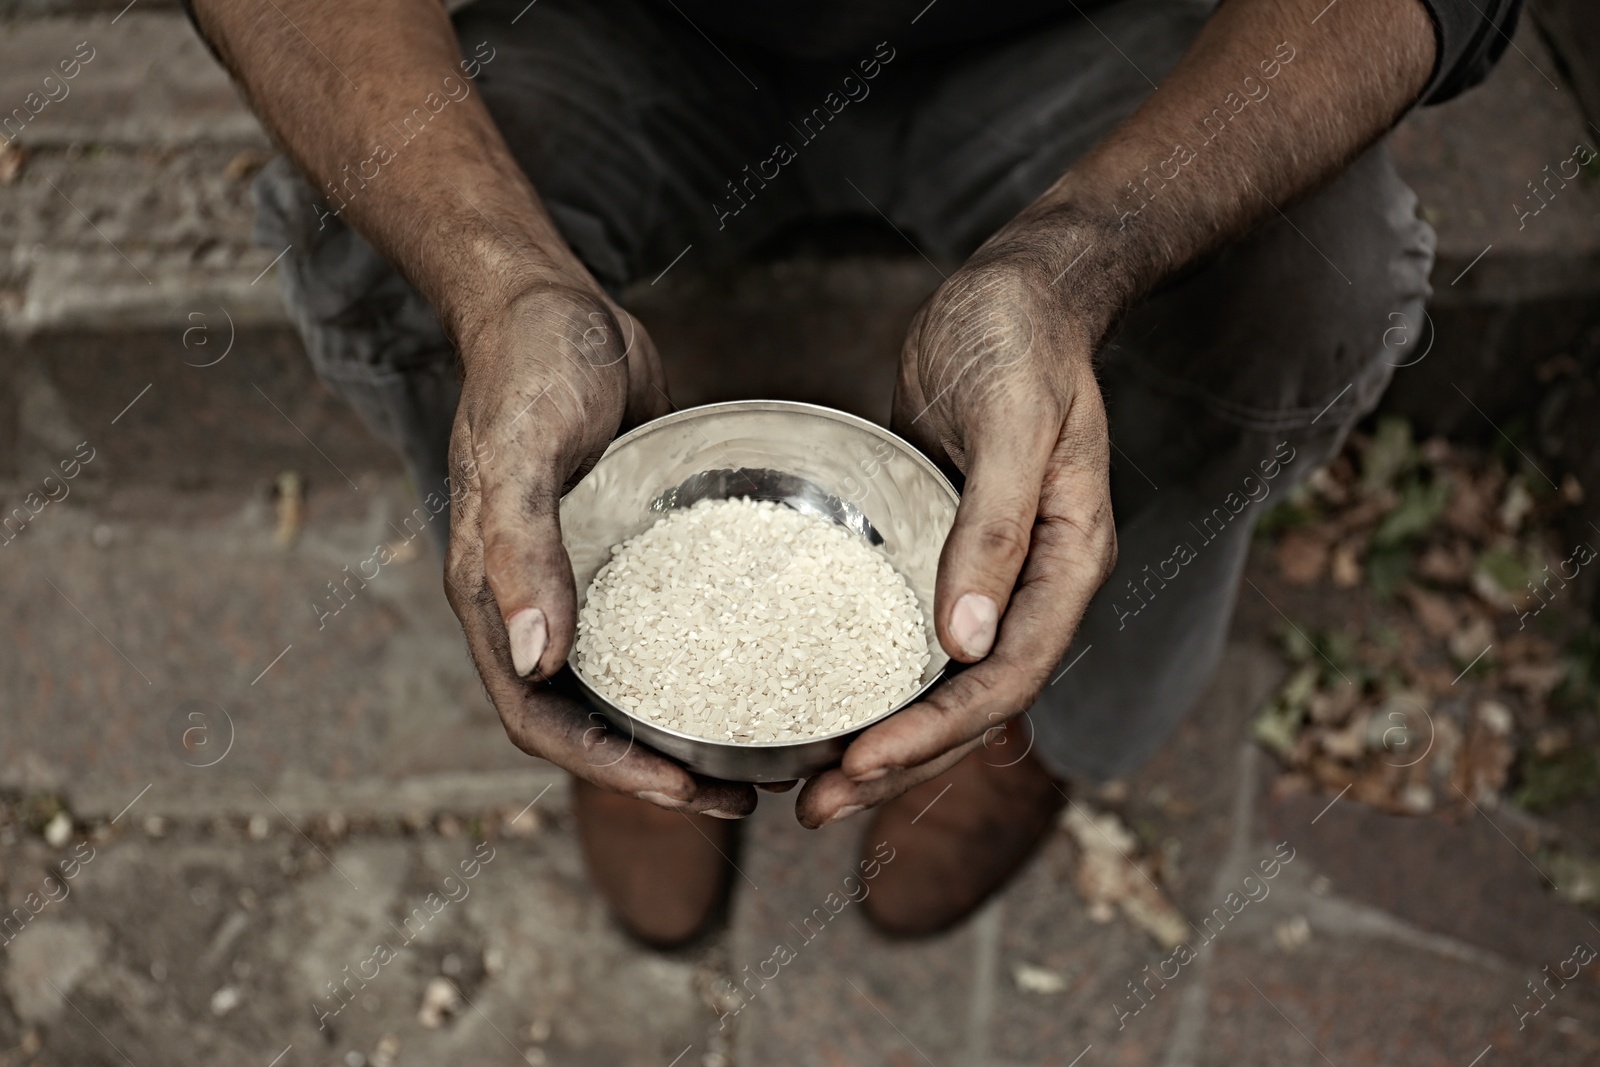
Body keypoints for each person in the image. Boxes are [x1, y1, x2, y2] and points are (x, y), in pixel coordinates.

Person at [184, 0, 1519, 945]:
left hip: (1074, 36)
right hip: (633, 29)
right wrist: (503, 283)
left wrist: (1070, 265)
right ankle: (585, 655)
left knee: (1311, 278)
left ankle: (1028, 696)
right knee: (364, 227)